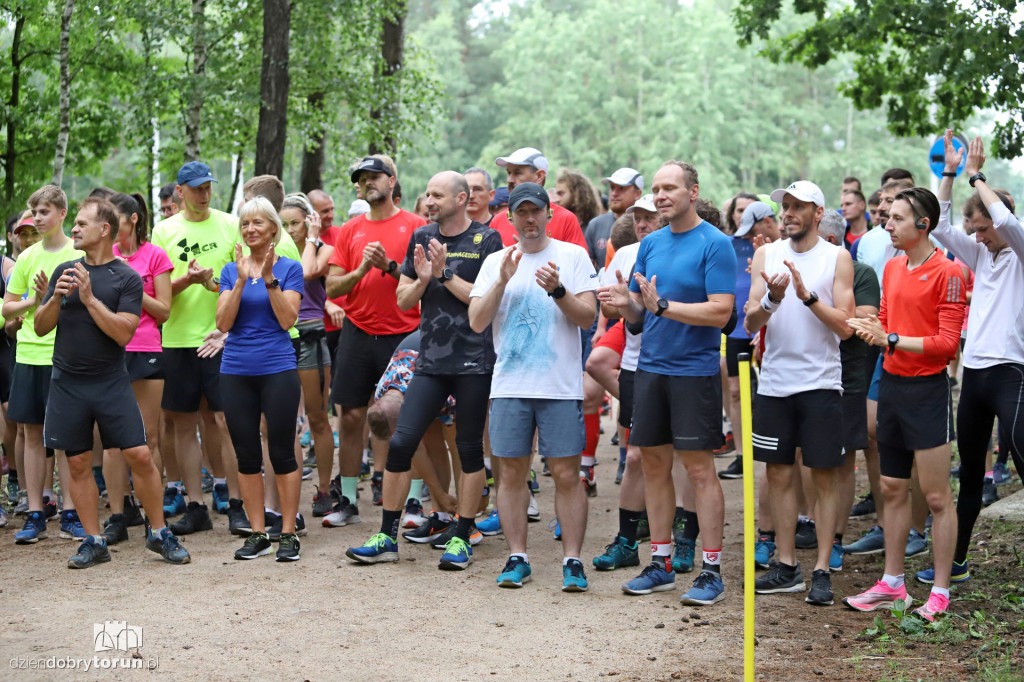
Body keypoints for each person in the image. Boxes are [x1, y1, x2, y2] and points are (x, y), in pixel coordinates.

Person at [346, 171, 502, 569]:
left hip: (473, 362)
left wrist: (445, 273)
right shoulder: (421, 237)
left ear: (462, 198)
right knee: (401, 442)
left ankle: (462, 536)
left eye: (437, 195)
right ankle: (387, 537)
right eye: (427, 195)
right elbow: (402, 299)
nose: (429, 201)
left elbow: (483, 299)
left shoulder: (487, 240)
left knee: (468, 449)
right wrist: (424, 280)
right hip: (430, 361)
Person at [598, 161, 736, 606]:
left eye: (669, 188)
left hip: (693, 372)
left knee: (698, 470)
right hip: (650, 370)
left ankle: (711, 570)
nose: (660, 196)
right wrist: (627, 306)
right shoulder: (651, 243)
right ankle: (658, 564)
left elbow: (720, 313)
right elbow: (641, 316)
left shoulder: (716, 244)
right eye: (656, 189)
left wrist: (663, 307)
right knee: (652, 464)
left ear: (693, 192)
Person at [33, 197, 189, 567]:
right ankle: (94, 540)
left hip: (111, 382)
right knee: (78, 462)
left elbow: (123, 333)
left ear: (105, 230)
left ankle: (159, 533)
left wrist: (88, 299)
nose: (73, 228)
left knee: (139, 454)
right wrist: (55, 298)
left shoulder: (127, 278)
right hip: (67, 383)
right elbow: (40, 328)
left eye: (82, 224)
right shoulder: (64, 272)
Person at [843, 186, 966, 621]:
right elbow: (889, 324)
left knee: (935, 498)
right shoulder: (893, 267)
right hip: (892, 386)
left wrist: (890, 337)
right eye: (887, 216)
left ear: (923, 224)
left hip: (927, 392)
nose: (887, 223)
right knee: (892, 488)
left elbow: (947, 345)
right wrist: (871, 325)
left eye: (896, 218)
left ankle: (940, 588)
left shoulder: (947, 272)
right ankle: (892, 583)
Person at [469, 182, 598, 591]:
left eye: (535, 211)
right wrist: (502, 281)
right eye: (521, 212)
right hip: (510, 383)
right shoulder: (495, 262)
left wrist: (558, 290)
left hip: (559, 385)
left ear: (548, 214)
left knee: (566, 473)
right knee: (510, 473)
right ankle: (517, 556)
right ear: (509, 217)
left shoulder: (573, 256)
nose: (529, 219)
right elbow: (477, 321)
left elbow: (587, 318)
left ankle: (573, 561)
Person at [915, 133, 1024, 589]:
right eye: (974, 230)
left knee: (1021, 453)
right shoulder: (981, 253)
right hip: (975, 375)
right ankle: (957, 561)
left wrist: (979, 176)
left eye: (982, 228)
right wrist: (949, 173)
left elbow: (1002, 217)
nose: (977, 236)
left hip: (1012, 373)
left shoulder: (1020, 249)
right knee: (972, 472)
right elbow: (938, 227)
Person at [744, 180, 855, 607]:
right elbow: (751, 323)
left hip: (822, 385)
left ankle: (823, 569)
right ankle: (786, 565)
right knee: (779, 475)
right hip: (774, 384)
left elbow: (846, 327)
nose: (788, 212)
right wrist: (772, 300)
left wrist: (807, 297)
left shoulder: (836, 257)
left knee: (824, 477)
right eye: (784, 206)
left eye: (797, 206)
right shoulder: (766, 254)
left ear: (817, 211)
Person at [151, 161, 250, 537]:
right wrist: (187, 280)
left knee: (223, 420)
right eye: (196, 188)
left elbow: (242, 280)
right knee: (183, 424)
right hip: (177, 339)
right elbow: (156, 295)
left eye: (208, 186)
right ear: (180, 191)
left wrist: (212, 287)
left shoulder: (229, 223)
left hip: (221, 338)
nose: (204, 194)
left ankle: (236, 502)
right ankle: (195, 504)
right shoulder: (163, 231)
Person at [324, 155, 424, 528]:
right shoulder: (350, 230)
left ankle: (413, 501)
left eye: (374, 177)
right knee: (350, 416)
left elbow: (424, 282)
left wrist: (388, 267)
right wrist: (363, 269)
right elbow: (333, 288)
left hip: (404, 333)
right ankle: (348, 498)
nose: (367, 183)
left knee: (406, 418)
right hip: (358, 331)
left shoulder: (416, 227)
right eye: (361, 179)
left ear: (392, 180)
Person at [216, 197, 304, 561]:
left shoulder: (289, 269)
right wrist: (239, 282)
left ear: (272, 228)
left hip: (278, 369)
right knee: (247, 454)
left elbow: (288, 320)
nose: (250, 229)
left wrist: (267, 279)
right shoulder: (228, 270)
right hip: (236, 370)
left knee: (282, 451)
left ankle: (286, 533)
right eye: (245, 223)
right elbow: (223, 324)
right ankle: (257, 533)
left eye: (257, 223)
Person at [4, 185, 85, 545]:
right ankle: (35, 512)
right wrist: (33, 300)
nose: (38, 219)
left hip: (66, 357)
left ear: (63, 214)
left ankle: (71, 512)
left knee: (66, 437)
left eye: (45, 212)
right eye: (34, 213)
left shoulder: (78, 253)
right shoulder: (26, 257)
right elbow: (7, 307)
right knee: (32, 435)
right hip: (28, 356)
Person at [99, 192, 173, 544]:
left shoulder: (154, 255)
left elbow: (163, 310)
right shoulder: (102, 257)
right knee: (113, 443)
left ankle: (152, 517)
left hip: (146, 349)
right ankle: (117, 516)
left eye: (113, 216)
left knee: (148, 438)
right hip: (109, 352)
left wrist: (130, 281)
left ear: (131, 219)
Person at [280, 193, 336, 517]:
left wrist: (313, 239)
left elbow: (306, 271)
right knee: (284, 421)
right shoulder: (273, 251)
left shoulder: (324, 248)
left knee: (317, 417)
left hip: (311, 333)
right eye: (284, 224)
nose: (290, 230)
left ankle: (325, 489)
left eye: (295, 223)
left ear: (309, 222)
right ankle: (286, 502)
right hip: (279, 335)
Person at [486, 147, 587, 250]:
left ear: (539, 176)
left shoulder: (566, 219)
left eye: (517, 173)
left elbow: (578, 263)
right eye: (509, 173)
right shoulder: (498, 221)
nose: (509, 180)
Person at [585, 168, 643, 270]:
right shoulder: (595, 225)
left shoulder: (645, 226)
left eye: (621, 188)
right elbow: (587, 268)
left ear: (638, 194)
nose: (614, 193)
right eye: (612, 188)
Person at [554, 169, 602, 234]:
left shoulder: (594, 228)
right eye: (557, 194)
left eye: (561, 193)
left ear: (576, 193)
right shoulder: (558, 228)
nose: (557, 198)